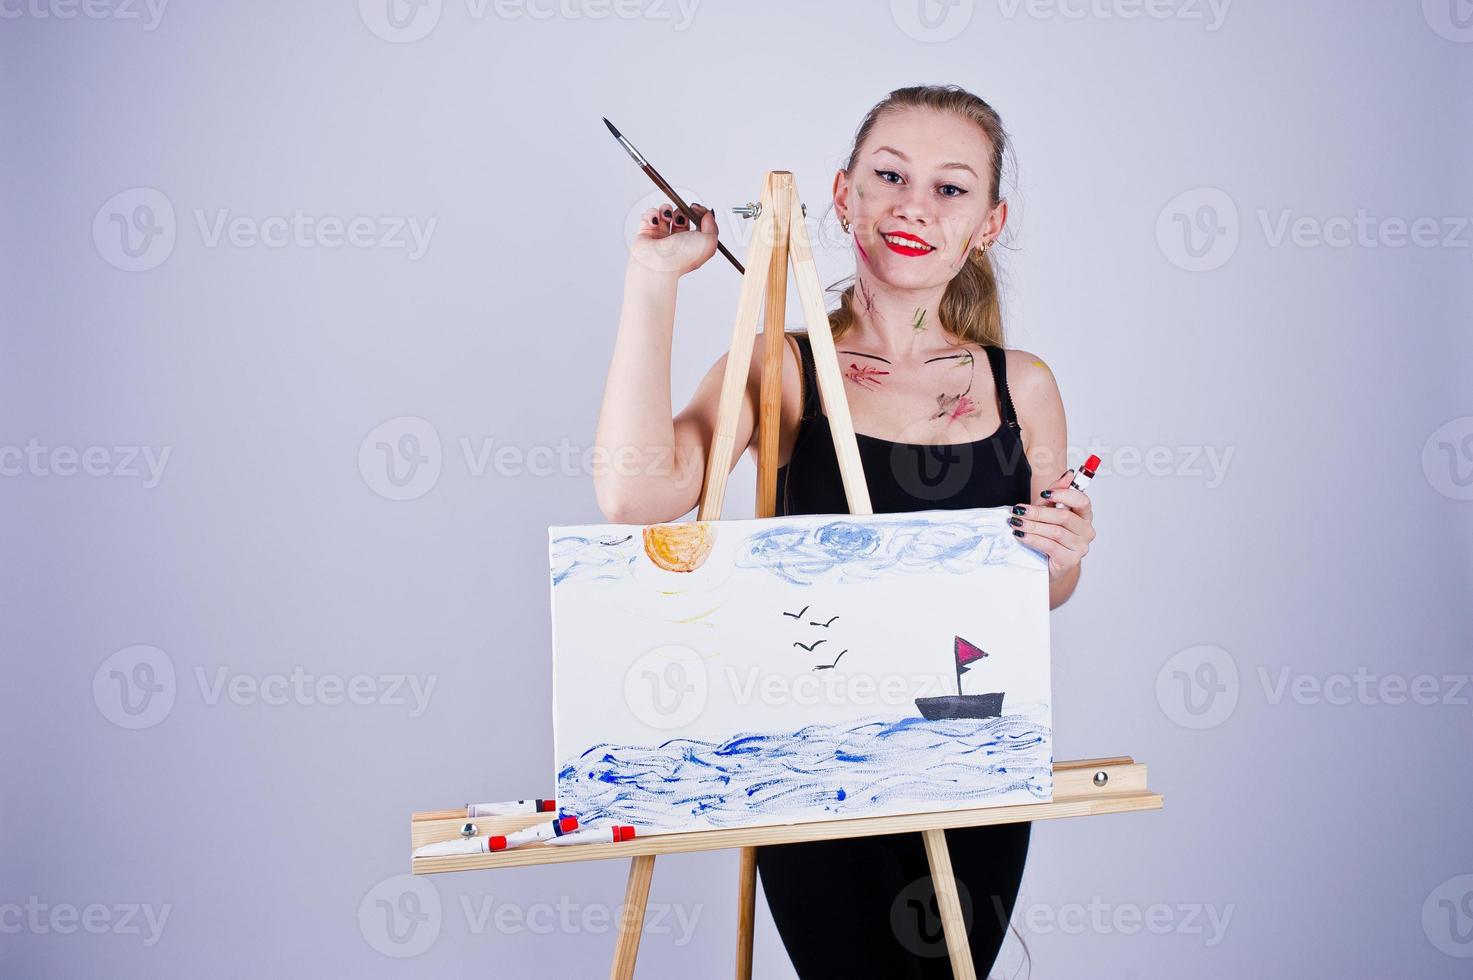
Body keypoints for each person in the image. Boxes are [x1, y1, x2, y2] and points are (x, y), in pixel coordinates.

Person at [594, 83, 1095, 978]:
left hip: (972, 760)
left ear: (988, 222)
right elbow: (636, 496)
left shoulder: (1024, 386)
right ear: (842, 195)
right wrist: (652, 281)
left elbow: (1039, 590)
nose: (913, 205)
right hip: (814, 760)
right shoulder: (778, 366)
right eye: (888, 176)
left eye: (951, 189)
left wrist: (1062, 552)